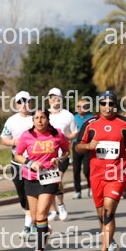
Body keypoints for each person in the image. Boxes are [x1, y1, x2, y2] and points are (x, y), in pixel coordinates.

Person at [75, 91, 126, 251]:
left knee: (108, 211)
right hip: (96, 175)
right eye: (103, 103)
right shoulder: (90, 123)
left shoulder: (125, 123)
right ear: (99, 105)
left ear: (115, 105)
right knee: (101, 214)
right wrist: (88, 146)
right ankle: (111, 243)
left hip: (116, 174)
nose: (107, 107)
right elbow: (77, 146)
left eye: (110, 103)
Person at [14, 109, 70, 251]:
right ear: (33, 121)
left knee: (41, 214)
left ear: (48, 119)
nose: (39, 121)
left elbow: (66, 151)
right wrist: (29, 163)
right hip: (31, 178)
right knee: (34, 218)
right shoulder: (27, 135)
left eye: (43, 117)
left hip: (49, 178)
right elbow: (17, 155)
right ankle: (45, 229)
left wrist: (59, 159)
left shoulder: (57, 134)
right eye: (36, 118)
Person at [1, 91, 34, 238]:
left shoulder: (36, 119)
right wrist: (14, 141)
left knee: (29, 192)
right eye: (20, 102)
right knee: (21, 193)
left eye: (26, 101)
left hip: (32, 163)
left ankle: (27, 226)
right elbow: (4, 139)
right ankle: (31, 216)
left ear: (31, 102)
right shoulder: (11, 120)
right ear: (16, 104)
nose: (23, 104)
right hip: (16, 162)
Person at [46, 88, 78, 221]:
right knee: (48, 182)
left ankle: (61, 205)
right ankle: (53, 211)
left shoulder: (68, 116)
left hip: (61, 154)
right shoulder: (44, 114)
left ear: (61, 99)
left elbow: (75, 133)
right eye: (51, 97)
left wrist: (65, 138)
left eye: (56, 97)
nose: (54, 99)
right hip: (45, 154)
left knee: (56, 179)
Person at [72, 99, 92, 199]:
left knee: (87, 170)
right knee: (76, 169)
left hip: (87, 145)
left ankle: (90, 187)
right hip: (76, 144)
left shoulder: (91, 118)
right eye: (78, 106)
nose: (79, 108)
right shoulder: (74, 118)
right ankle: (77, 191)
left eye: (82, 106)